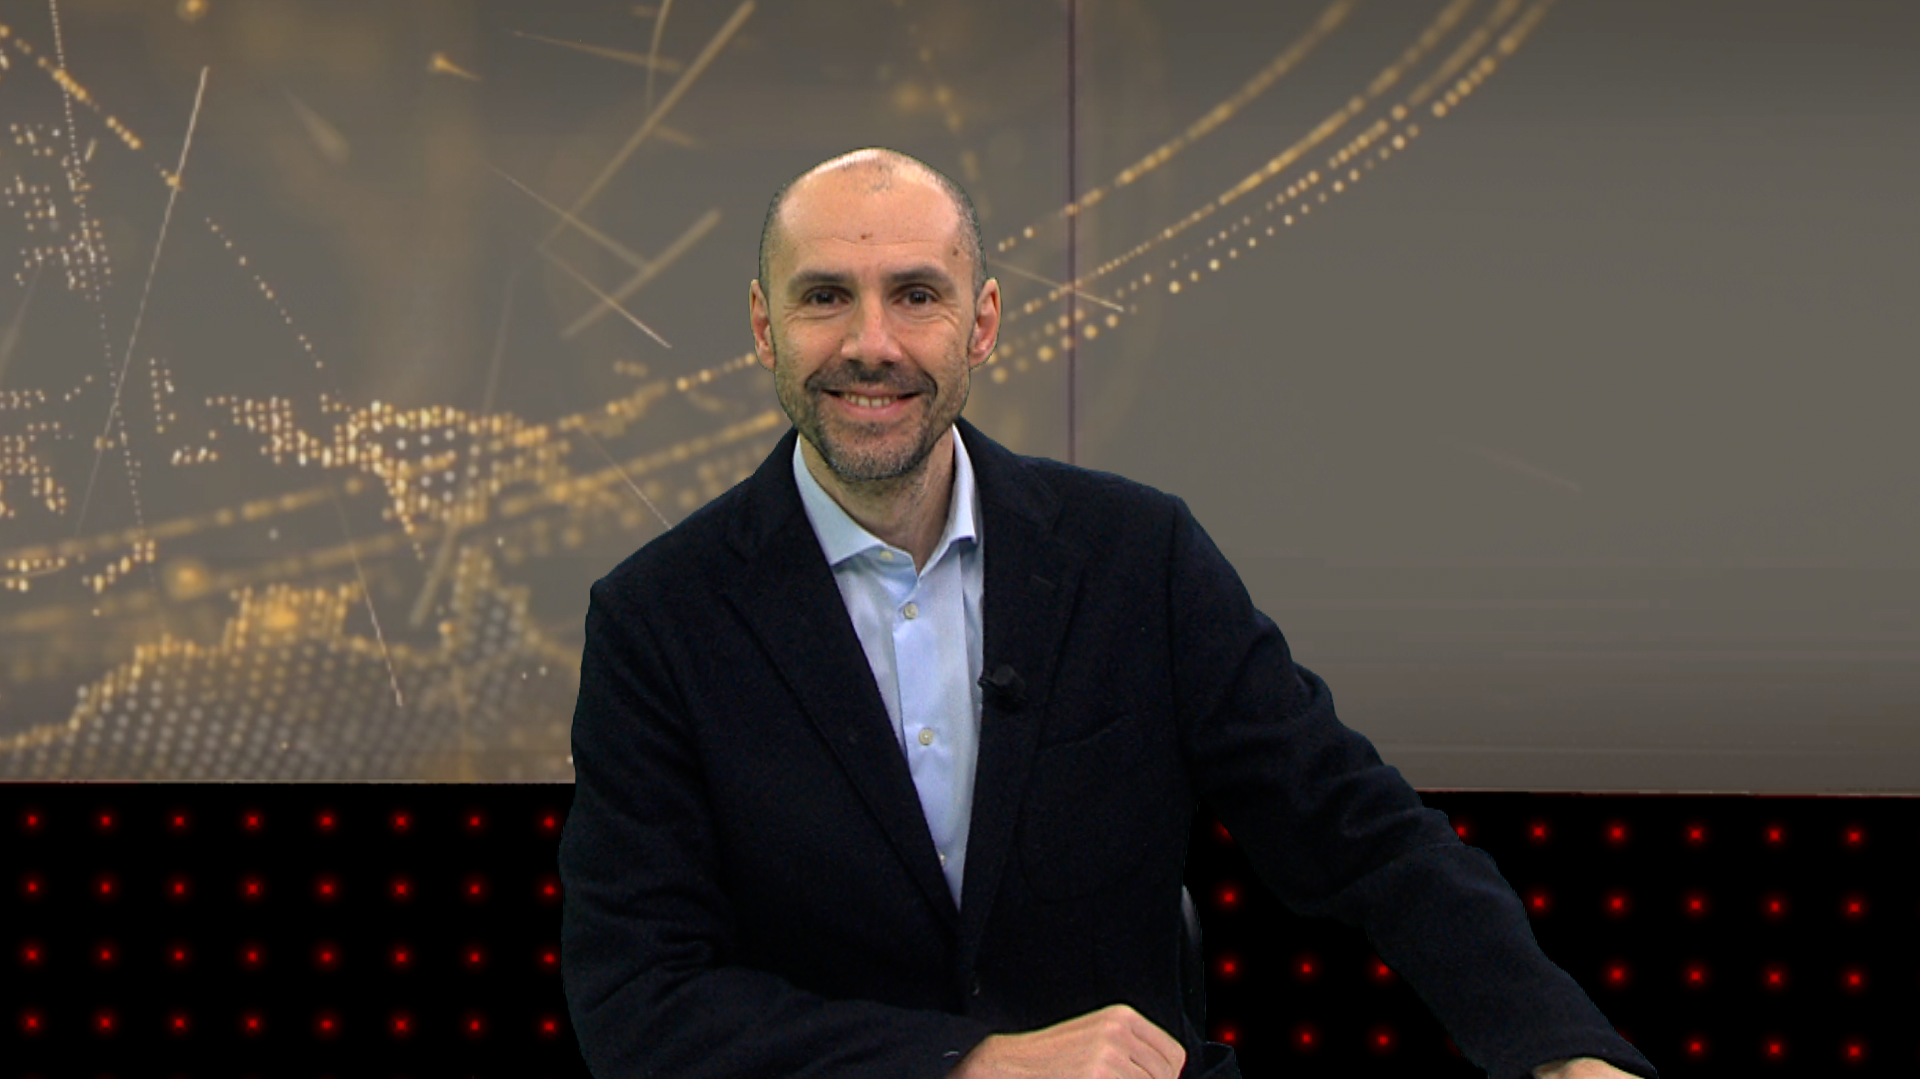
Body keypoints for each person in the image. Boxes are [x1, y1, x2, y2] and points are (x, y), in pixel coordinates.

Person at [559, 147, 1660, 1079]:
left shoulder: (1137, 556)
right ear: (764, 327)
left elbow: (1354, 828)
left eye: (918, 294)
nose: (872, 343)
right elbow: (639, 1004)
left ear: (983, 322)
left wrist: (1558, 1049)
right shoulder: (657, 621)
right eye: (824, 297)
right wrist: (971, 1063)